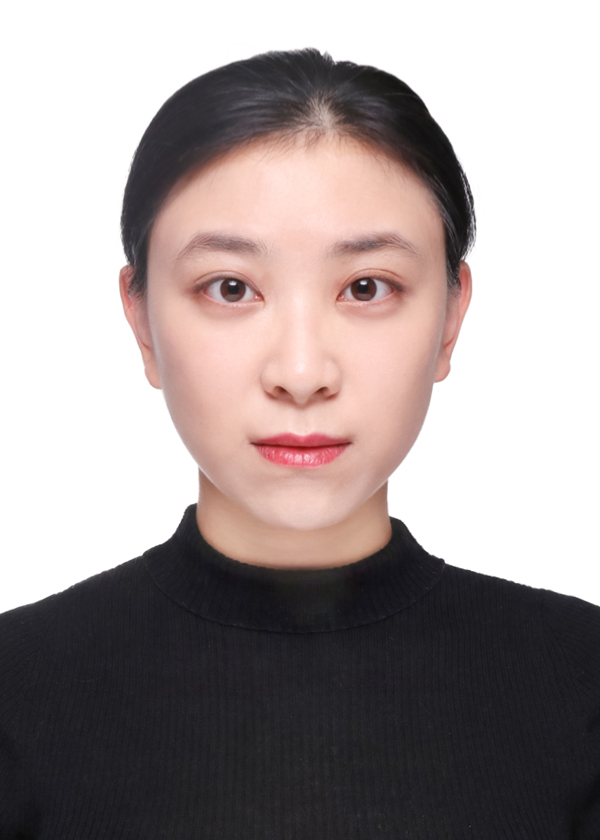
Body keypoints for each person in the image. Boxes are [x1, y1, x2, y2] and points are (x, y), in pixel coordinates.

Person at [0, 47, 598, 837]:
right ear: (141, 321)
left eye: (366, 287)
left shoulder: (581, 684)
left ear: (451, 319)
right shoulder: (17, 695)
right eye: (230, 288)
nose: (302, 373)